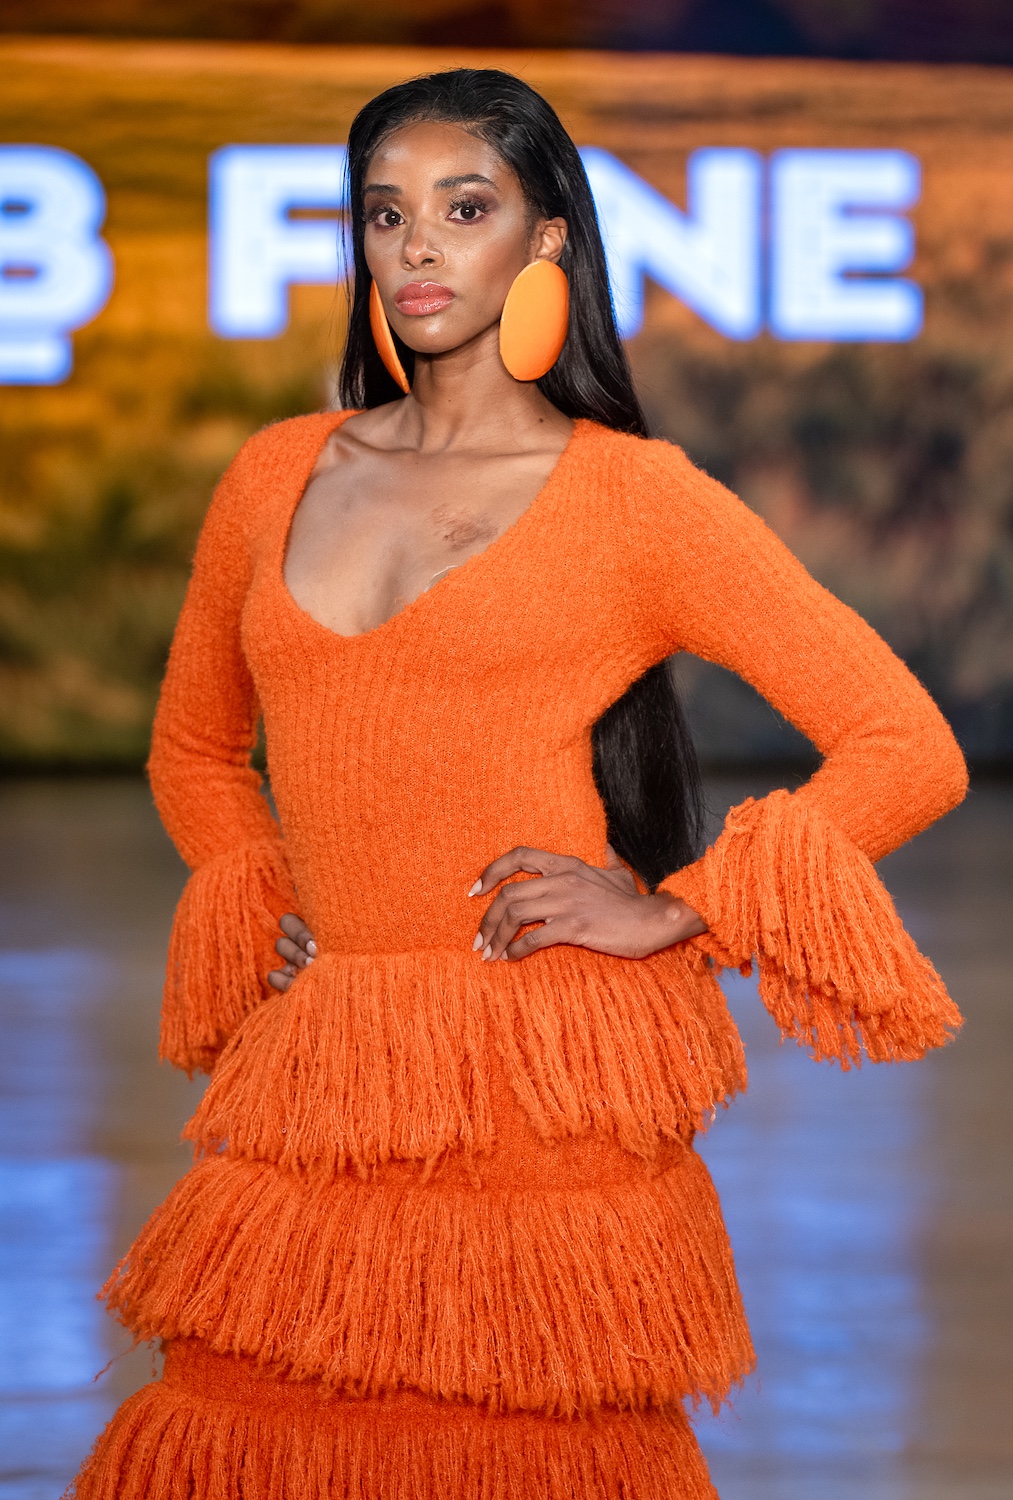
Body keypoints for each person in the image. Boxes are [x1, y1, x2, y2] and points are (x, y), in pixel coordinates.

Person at [70, 67, 966, 1500]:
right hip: (323, 1070)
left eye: (463, 207)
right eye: (385, 214)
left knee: (536, 1447)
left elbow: (903, 743)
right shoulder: (274, 474)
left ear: (545, 238)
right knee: (247, 1418)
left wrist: (678, 906)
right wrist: (261, 886)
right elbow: (193, 749)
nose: (417, 246)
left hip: (540, 1076)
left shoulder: (633, 498)